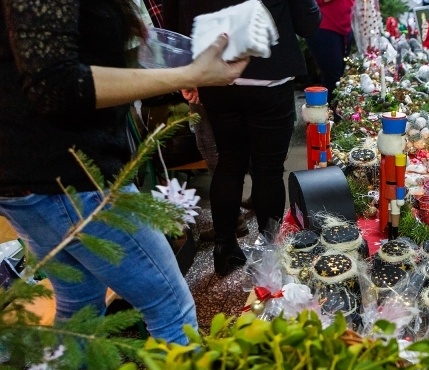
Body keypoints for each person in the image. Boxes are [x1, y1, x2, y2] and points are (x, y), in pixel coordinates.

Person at [0, 0, 248, 344]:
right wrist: (189, 75)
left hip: (35, 176)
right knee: (171, 307)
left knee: (80, 305)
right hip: (67, 176)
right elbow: (55, 84)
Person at [164, 0, 321, 276]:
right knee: (268, 172)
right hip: (268, 72)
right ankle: (269, 255)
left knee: (228, 162)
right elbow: (308, 23)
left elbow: (173, 16)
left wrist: (187, 71)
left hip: (216, 73)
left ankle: (224, 249)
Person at [306, 0, 356, 102]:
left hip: (344, 26)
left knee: (339, 79)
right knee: (332, 78)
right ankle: (327, 115)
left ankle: (334, 113)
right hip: (325, 27)